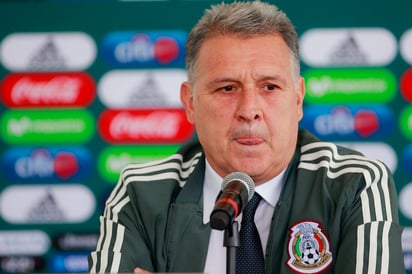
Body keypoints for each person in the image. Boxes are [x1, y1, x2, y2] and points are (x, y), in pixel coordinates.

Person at [88, 1, 405, 273]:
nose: (249, 110)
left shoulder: (355, 184)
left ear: (297, 99)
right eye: (227, 88)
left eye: (269, 86)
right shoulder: (141, 193)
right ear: (190, 103)